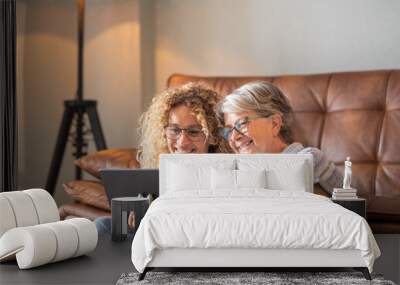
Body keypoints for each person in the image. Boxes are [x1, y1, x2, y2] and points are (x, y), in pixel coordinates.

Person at [95, 82, 230, 235]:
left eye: (193, 131)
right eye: (174, 130)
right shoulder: (156, 173)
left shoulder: (225, 175)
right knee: (102, 225)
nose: (182, 142)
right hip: (158, 232)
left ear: (213, 136)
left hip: (194, 234)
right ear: (164, 132)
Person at [216, 81, 342, 194]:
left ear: (274, 124)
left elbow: (352, 207)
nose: (234, 136)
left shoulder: (309, 159)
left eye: (242, 123)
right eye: (229, 130)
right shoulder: (232, 170)